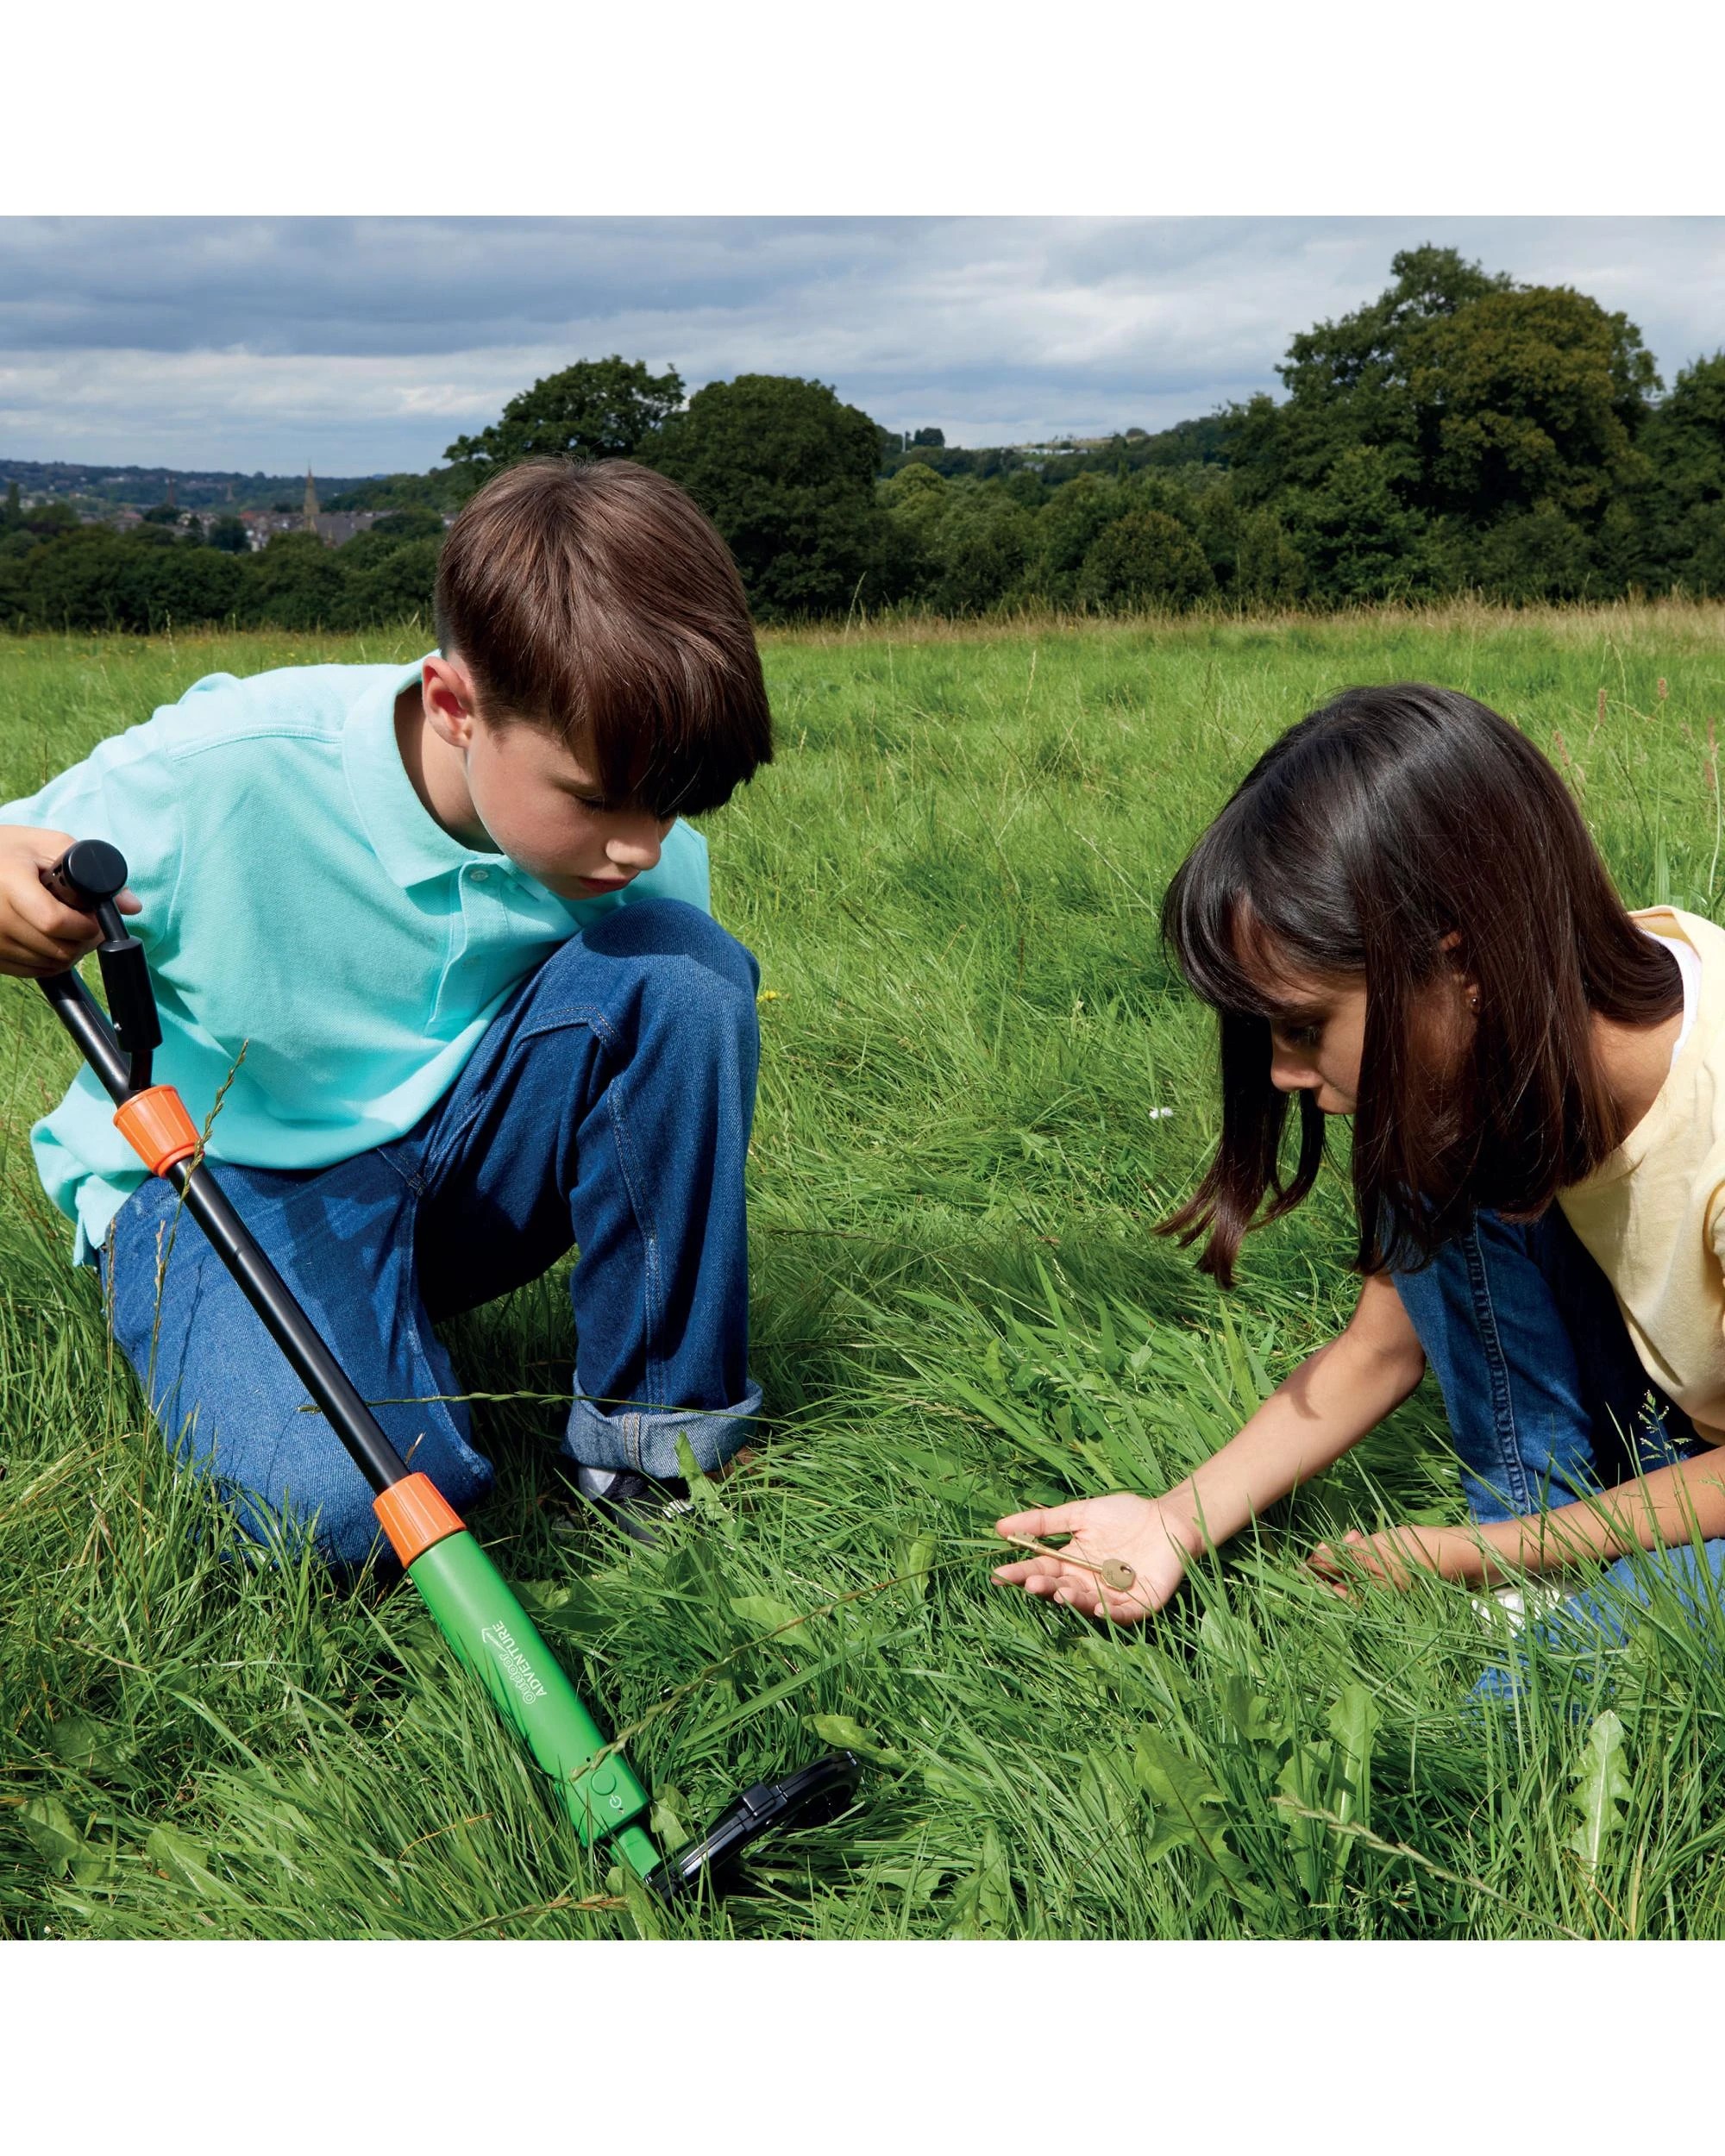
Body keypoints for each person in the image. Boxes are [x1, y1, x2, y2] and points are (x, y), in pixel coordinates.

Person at [0, 457, 773, 1564]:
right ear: (455, 707)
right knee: (340, 1517)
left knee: (685, 971)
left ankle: (656, 1458)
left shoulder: (642, 865)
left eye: (671, 804)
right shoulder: (227, 766)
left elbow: (644, 1057)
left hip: (458, 1167)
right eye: (597, 798)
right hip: (219, 1175)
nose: (641, 847)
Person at [991, 683, 1725, 1682]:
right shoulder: (1534, 1015)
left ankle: (1538, 1575)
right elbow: (1380, 1348)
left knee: (1537, 1701)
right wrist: (1172, 1520)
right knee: (1433, 1135)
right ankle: (1543, 1548)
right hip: (1677, 1414)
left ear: (1460, 965)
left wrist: (1468, 1553)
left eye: (1301, 1026)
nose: (1280, 1075)